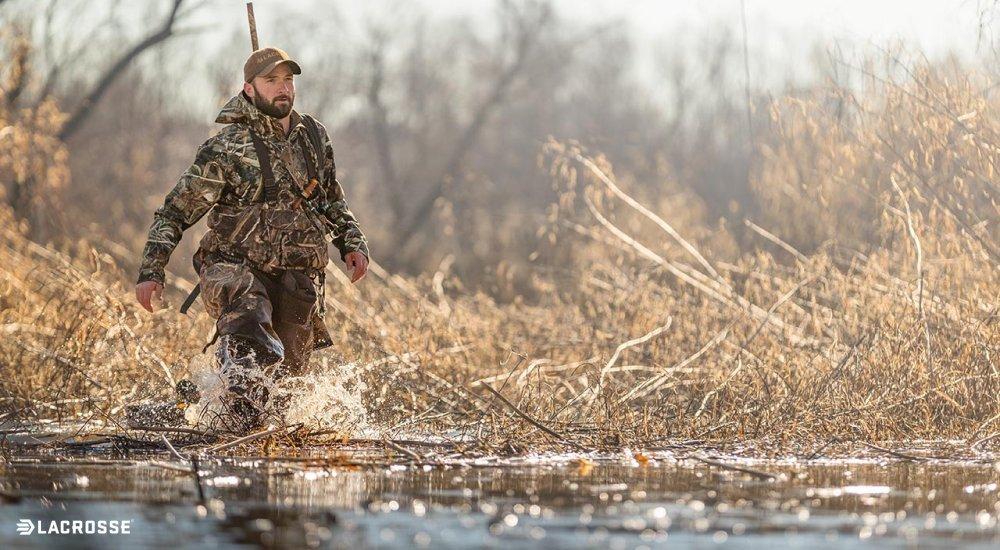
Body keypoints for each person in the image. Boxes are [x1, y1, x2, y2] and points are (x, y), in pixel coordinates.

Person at [133, 47, 369, 432]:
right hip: (233, 268)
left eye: (288, 80)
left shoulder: (313, 136)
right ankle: (230, 425)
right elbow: (176, 211)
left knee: (288, 383)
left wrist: (352, 243)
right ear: (248, 88)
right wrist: (150, 271)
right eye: (271, 81)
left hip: (298, 272)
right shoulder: (227, 146)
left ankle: (196, 410)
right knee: (252, 331)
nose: (283, 89)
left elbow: (330, 197)